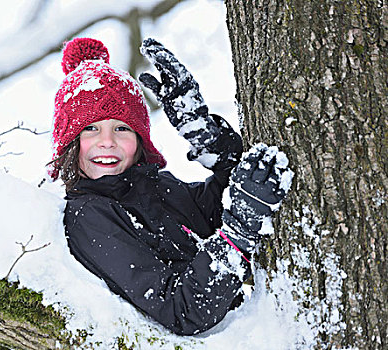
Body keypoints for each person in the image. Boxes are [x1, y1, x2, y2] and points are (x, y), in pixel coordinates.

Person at [48, 37, 293, 336]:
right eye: (91, 128)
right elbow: (180, 311)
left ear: (140, 139)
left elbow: (218, 209)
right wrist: (239, 230)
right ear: (70, 143)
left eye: (122, 128)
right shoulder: (89, 216)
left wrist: (210, 141)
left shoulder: (151, 186)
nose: (107, 141)